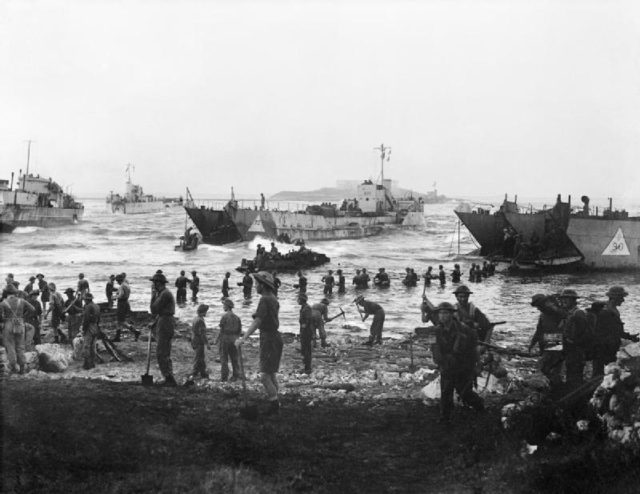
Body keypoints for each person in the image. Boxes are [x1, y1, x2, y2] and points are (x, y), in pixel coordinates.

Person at [236, 271, 283, 415]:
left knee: (264, 376)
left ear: (263, 285)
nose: (255, 286)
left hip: (269, 338)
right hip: (274, 337)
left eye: (257, 283)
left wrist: (244, 338)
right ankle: (276, 401)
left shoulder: (265, 299)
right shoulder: (273, 298)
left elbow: (258, 321)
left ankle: (274, 404)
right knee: (271, 373)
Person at [431, 302, 484, 424]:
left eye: (445, 313)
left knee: (465, 393)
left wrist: (477, 365)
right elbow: (436, 349)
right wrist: (440, 362)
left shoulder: (464, 329)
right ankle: (445, 417)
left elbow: (473, 349)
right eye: (440, 313)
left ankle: (480, 406)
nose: (442, 316)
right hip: (447, 366)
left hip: (463, 366)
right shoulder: (437, 330)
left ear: (451, 314)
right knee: (446, 392)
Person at [592, 286, 639, 376]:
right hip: (604, 347)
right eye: (621, 297)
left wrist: (629, 337)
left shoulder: (612, 310)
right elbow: (612, 331)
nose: (623, 300)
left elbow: (616, 330)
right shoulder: (607, 312)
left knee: (606, 372)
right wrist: (629, 337)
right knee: (601, 373)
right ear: (615, 297)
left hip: (608, 346)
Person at [528, 294, 566, 387]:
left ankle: (555, 386)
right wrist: (532, 343)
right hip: (545, 341)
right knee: (547, 367)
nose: (538, 308)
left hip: (554, 339)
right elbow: (538, 330)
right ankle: (550, 384)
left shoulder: (556, 312)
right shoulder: (543, 315)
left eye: (539, 306)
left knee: (553, 366)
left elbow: (565, 317)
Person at [150, 272, 177, 386]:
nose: (153, 285)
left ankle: (169, 378)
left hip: (166, 322)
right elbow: (160, 312)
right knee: (164, 351)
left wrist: (152, 295)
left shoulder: (164, 294)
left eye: (154, 283)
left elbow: (153, 309)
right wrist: (155, 322)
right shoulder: (163, 293)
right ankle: (168, 376)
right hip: (163, 320)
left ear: (158, 283)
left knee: (162, 351)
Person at [558, 289, 589, 389]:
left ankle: (576, 399)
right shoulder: (568, 314)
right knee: (570, 373)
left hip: (576, 351)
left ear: (573, 300)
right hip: (570, 350)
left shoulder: (578, 313)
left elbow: (584, 334)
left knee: (575, 376)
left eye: (566, 299)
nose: (563, 301)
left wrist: (573, 343)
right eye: (562, 299)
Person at [0, 284, 35, 373]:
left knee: (10, 346)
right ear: (15, 292)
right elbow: (33, 309)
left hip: (8, 324)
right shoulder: (21, 301)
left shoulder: (3, 303)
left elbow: (0, 317)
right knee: (20, 346)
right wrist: (22, 316)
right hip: (20, 323)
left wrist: (4, 319)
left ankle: (14, 367)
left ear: (6, 292)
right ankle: (22, 368)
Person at [218, 298, 242, 381]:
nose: (223, 307)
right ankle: (236, 375)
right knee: (234, 358)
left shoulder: (224, 317)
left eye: (224, 305)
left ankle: (224, 377)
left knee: (224, 358)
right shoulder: (237, 318)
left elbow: (221, 330)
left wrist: (216, 340)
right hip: (234, 339)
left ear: (227, 306)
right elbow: (239, 331)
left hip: (225, 338)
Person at [188, 304, 211, 381]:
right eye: (205, 312)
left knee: (200, 357)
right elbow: (202, 334)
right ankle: (194, 374)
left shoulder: (195, 319)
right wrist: (207, 343)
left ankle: (203, 373)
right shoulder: (200, 320)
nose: (206, 313)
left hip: (194, 339)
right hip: (199, 341)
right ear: (202, 312)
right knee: (198, 358)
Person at [114, 273, 139, 342]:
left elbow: (121, 294)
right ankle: (117, 337)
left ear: (119, 280)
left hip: (121, 303)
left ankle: (135, 331)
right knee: (120, 321)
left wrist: (115, 297)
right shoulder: (127, 285)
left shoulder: (122, 286)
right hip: (126, 302)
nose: (117, 282)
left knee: (120, 321)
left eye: (117, 281)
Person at [81, 293, 100, 370]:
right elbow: (99, 318)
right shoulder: (97, 306)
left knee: (86, 345)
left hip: (89, 326)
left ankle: (87, 364)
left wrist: (84, 329)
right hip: (95, 326)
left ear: (86, 300)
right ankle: (92, 363)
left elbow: (86, 319)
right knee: (93, 346)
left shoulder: (88, 307)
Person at [298, 293, 314, 374]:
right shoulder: (303, 307)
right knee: (304, 349)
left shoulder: (307, 308)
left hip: (307, 332)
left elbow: (307, 319)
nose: (297, 300)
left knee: (306, 350)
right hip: (304, 331)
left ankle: (308, 368)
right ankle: (306, 367)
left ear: (302, 300)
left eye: (298, 299)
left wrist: (304, 327)